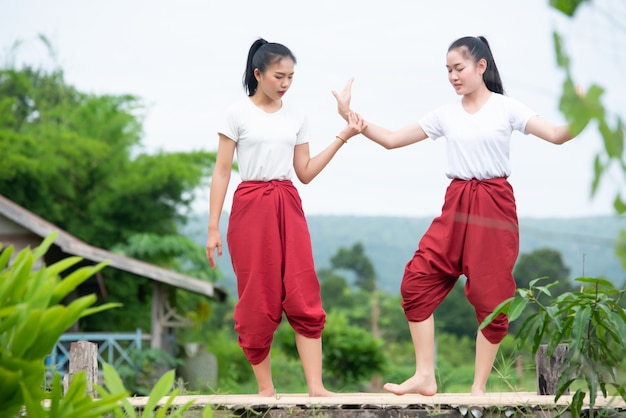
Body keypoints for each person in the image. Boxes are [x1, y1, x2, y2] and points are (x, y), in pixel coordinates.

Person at [333, 35, 587, 397]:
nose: (452, 76)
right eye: (448, 70)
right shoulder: (445, 114)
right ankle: (425, 375)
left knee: (492, 295)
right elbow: (390, 139)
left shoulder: (507, 108)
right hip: (456, 205)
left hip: (494, 205)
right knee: (416, 282)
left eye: (459, 68)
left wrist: (583, 111)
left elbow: (559, 135)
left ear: (481, 66)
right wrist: (349, 116)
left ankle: (478, 387)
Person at [205, 38, 365, 397]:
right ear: (258, 74)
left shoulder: (297, 115)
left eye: (291, 77)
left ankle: (316, 387)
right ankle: (266, 389)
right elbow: (221, 173)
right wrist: (213, 227)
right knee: (257, 298)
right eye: (279, 76)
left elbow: (305, 172)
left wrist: (343, 136)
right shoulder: (236, 114)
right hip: (249, 207)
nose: (285, 84)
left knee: (302, 290)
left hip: (287, 203)